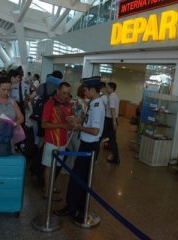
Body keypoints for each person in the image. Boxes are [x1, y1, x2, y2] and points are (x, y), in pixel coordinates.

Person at [54, 76, 105, 224]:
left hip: (89, 146)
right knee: (81, 178)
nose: (84, 92)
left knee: (78, 178)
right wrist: (78, 122)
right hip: (86, 145)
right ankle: (78, 207)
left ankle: (73, 208)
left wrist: (79, 127)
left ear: (92, 90)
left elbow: (95, 131)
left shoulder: (97, 106)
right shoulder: (94, 103)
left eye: (86, 89)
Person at [41, 82, 72, 201]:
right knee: (49, 167)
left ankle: (50, 188)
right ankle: (47, 193)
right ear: (58, 91)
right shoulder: (50, 103)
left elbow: (68, 120)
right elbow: (44, 124)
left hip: (63, 141)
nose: (65, 95)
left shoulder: (68, 104)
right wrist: (62, 125)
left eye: (68, 93)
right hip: (51, 141)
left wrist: (73, 122)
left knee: (56, 167)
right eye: (63, 93)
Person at [105, 82, 120, 164]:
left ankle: (115, 158)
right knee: (112, 139)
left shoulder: (112, 97)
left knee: (112, 140)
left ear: (112, 88)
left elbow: (113, 110)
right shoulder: (114, 96)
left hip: (110, 120)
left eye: (108, 88)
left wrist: (114, 122)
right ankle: (115, 157)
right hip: (111, 120)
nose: (106, 89)